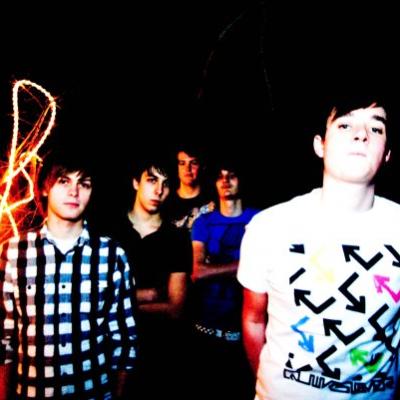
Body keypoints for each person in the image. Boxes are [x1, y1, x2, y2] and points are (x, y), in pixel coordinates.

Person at [238, 92, 400, 399]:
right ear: (319, 145)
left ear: (387, 153)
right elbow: (253, 319)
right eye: (345, 125)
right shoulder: (270, 227)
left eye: (376, 127)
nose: (361, 135)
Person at [0, 149, 137, 399]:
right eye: (63, 181)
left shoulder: (112, 255)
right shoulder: (14, 252)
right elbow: (5, 338)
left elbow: (125, 341)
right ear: (44, 188)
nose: (74, 191)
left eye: (83, 183)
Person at [107, 153, 192, 400]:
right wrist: (149, 294)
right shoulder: (108, 231)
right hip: (108, 347)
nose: (158, 190)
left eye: (166, 184)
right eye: (152, 180)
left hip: (157, 351)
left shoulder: (176, 238)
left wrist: (119, 301)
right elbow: (92, 298)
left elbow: (176, 309)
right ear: (136, 182)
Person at [190, 159, 259, 400]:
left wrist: (214, 267)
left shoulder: (260, 220)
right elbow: (198, 272)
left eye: (231, 175)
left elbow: (269, 271)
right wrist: (248, 265)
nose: (225, 181)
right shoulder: (203, 222)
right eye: (220, 176)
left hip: (246, 334)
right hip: (206, 333)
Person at [164, 143, 214, 231]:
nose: (187, 169)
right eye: (182, 163)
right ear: (177, 167)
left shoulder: (214, 198)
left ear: (202, 167)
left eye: (193, 163)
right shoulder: (166, 201)